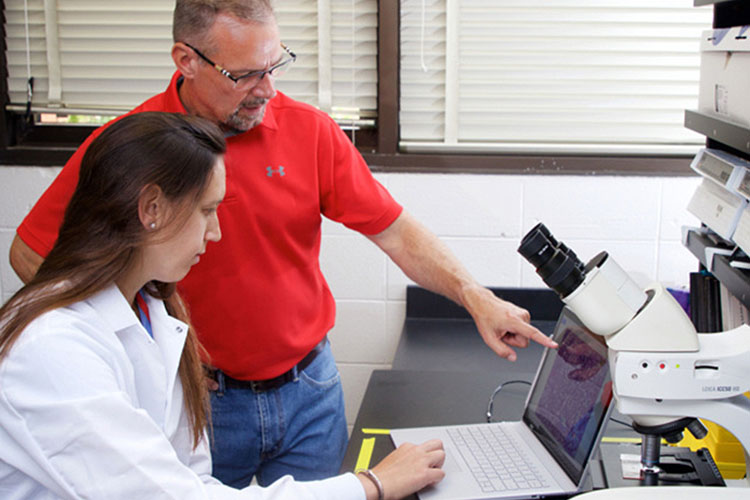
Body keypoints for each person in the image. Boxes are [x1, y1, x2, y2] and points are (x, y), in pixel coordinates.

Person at [8, 0, 557, 488]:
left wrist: (474, 296)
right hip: (200, 399)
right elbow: (31, 252)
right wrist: (126, 344)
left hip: (308, 391)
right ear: (187, 61)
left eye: (275, 66)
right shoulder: (133, 147)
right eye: (246, 75)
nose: (267, 89)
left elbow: (392, 229)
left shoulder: (307, 130)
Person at [0, 111, 445, 499]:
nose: (214, 233)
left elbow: (192, 479)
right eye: (207, 211)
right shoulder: (53, 351)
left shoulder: (155, 311)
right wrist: (371, 484)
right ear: (151, 207)